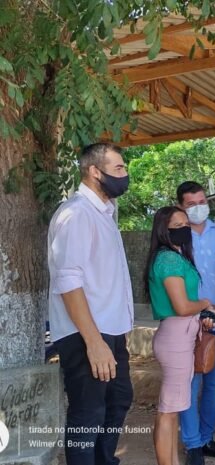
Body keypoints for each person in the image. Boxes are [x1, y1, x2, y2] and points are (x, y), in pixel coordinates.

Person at [48, 143, 134, 465]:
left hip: (108, 331)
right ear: (94, 172)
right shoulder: (76, 214)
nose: (125, 175)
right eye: (118, 169)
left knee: (118, 400)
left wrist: (117, 333)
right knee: (88, 413)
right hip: (86, 334)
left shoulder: (105, 214)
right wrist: (94, 342)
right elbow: (68, 282)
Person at [146, 206, 215, 465]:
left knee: (174, 408)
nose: (183, 229)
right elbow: (183, 306)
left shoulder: (176, 257)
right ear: (163, 231)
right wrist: (205, 303)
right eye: (176, 226)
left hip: (182, 334)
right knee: (168, 410)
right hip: (176, 336)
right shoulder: (168, 259)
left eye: (185, 223)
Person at [176, 181, 215, 465]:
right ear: (180, 206)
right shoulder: (176, 239)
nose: (198, 207)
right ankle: (193, 445)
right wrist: (198, 314)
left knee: (214, 383)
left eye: (202, 201)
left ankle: (207, 437)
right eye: (191, 204)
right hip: (188, 324)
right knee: (190, 383)